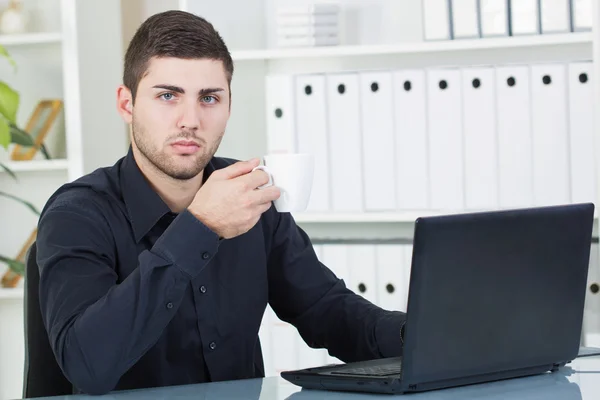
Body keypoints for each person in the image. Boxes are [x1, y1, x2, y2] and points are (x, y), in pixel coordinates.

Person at [35, 10, 406, 396]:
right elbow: (86, 364)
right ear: (126, 105)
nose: (191, 120)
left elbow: (327, 311)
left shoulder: (251, 194)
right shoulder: (76, 213)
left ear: (228, 105)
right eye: (167, 96)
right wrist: (199, 227)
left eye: (209, 98)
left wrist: (419, 338)